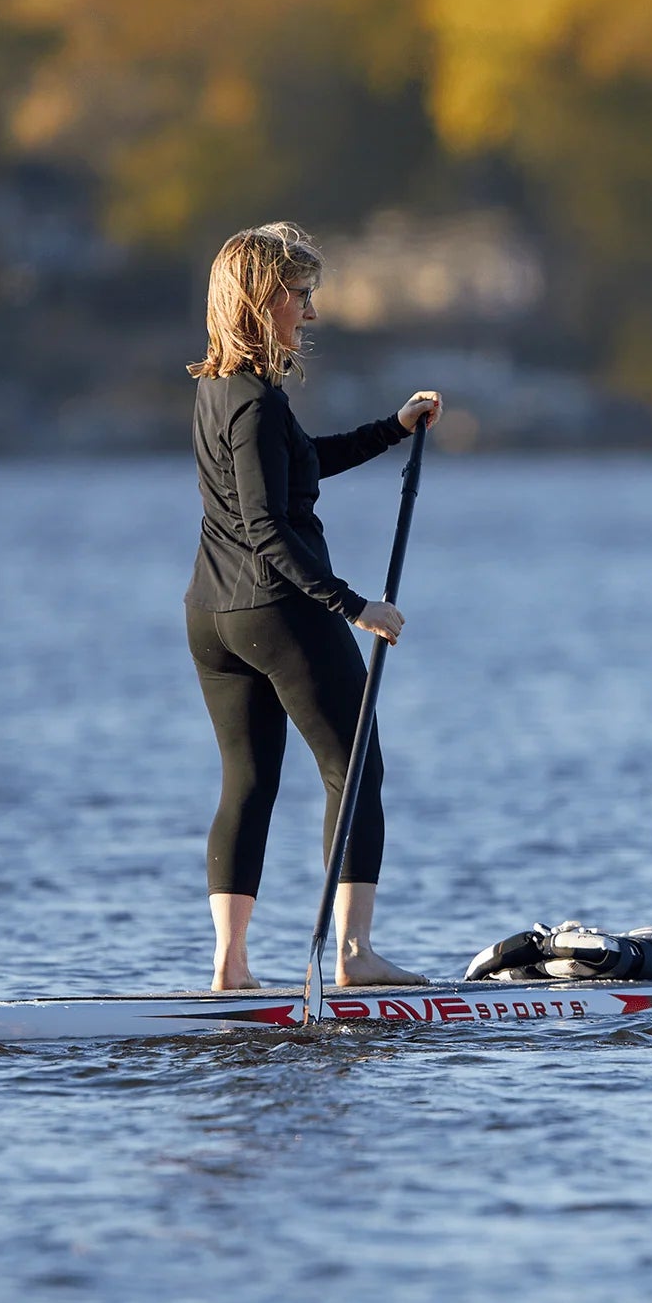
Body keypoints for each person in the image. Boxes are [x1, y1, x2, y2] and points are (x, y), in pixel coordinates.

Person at [184, 221, 441, 991]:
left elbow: (303, 468)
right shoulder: (257, 405)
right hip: (279, 610)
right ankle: (355, 958)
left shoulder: (220, 391)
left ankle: (230, 970)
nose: (311, 312)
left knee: (249, 782)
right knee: (357, 768)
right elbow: (269, 526)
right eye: (300, 295)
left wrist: (391, 430)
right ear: (262, 299)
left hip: (212, 617)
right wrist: (355, 606)